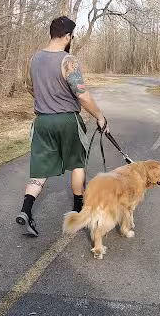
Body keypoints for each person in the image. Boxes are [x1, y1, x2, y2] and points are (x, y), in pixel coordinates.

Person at [16, 16, 109, 236]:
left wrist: (45, 100)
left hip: (42, 122)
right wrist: (99, 116)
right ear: (68, 36)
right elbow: (82, 95)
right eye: (71, 36)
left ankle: (26, 210)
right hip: (67, 120)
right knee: (77, 163)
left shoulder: (34, 58)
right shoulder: (69, 61)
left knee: (40, 169)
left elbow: (29, 86)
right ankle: (78, 211)